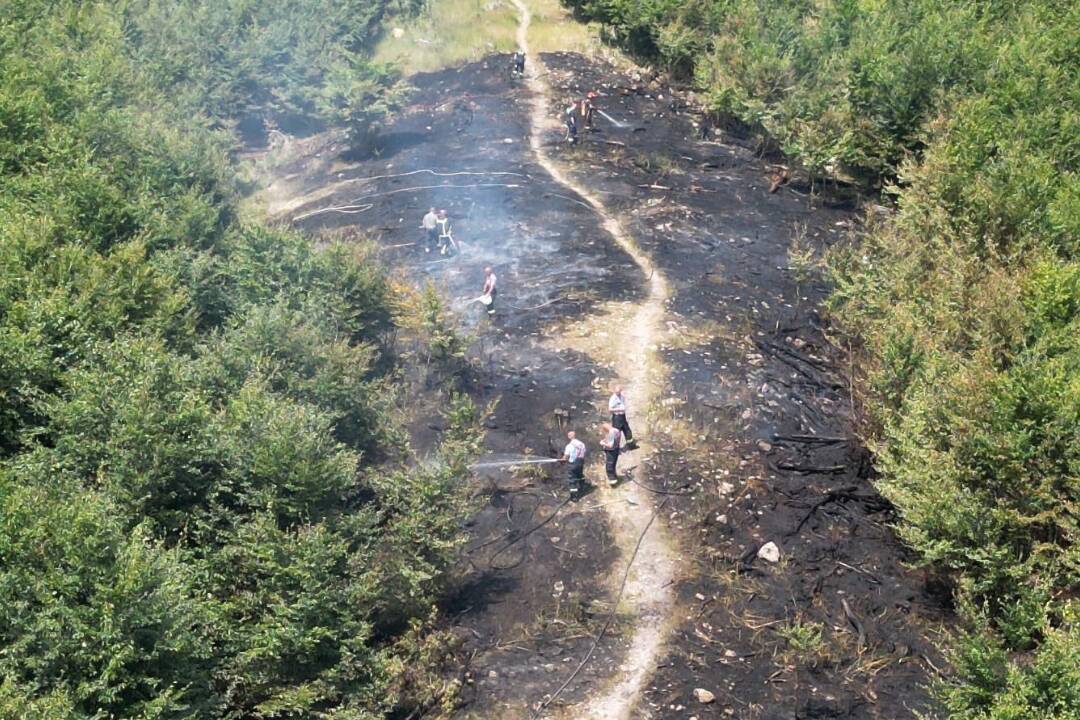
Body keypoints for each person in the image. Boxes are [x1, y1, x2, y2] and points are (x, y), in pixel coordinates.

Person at [560, 430, 587, 496]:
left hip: (573, 464)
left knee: (572, 479)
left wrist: (562, 460)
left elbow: (566, 457)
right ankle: (582, 488)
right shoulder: (582, 444)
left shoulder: (569, 446)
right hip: (581, 463)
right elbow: (584, 452)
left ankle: (574, 496)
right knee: (580, 475)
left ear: (569, 437)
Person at [599, 422, 624, 486]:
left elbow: (610, 445)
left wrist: (603, 443)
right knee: (613, 463)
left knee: (609, 465)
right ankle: (614, 475)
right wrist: (605, 440)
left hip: (611, 451)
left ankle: (613, 480)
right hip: (616, 449)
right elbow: (613, 439)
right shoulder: (616, 430)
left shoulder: (611, 433)